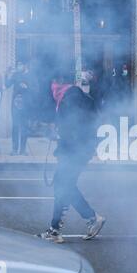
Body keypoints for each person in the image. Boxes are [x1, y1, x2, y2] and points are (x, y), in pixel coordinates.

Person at [37, 75, 106, 243]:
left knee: (63, 185)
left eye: (53, 84)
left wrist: (60, 135)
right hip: (77, 149)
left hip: (75, 150)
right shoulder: (71, 95)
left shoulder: (70, 97)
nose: (52, 89)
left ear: (58, 83)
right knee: (64, 185)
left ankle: (57, 230)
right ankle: (87, 219)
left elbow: (75, 125)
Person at [5, 59, 37, 156]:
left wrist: (27, 87)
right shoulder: (16, 75)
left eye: (20, 64)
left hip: (26, 104)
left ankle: (22, 150)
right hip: (15, 104)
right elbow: (7, 85)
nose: (18, 66)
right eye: (18, 64)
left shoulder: (31, 76)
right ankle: (14, 149)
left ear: (25, 65)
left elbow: (36, 89)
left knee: (24, 127)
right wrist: (7, 73)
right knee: (15, 126)